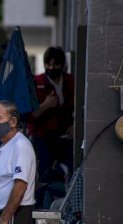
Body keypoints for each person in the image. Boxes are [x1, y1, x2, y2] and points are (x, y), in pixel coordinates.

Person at [27, 46, 74, 184]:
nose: (52, 68)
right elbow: (29, 117)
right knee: (43, 175)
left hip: (64, 136)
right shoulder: (36, 83)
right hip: (41, 136)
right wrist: (45, 105)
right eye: (49, 64)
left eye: (56, 64)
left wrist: (74, 124)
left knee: (71, 168)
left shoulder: (71, 81)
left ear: (62, 65)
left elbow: (79, 107)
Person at [0, 100, 36, 224]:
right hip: (3, 214)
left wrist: (5, 219)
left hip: (15, 215)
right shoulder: (6, 145)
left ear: (13, 122)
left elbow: (20, 185)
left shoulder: (20, 145)